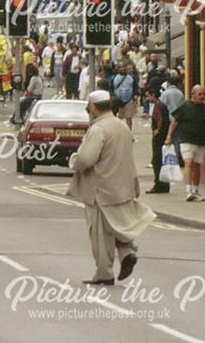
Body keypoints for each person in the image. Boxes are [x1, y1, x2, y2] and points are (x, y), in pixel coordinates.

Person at [67, 91, 156, 285]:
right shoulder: (122, 126)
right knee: (117, 226)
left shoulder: (98, 129)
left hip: (100, 188)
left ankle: (104, 273)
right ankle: (127, 254)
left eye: (89, 106)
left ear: (94, 107)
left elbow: (86, 159)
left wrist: (74, 160)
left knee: (100, 234)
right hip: (122, 186)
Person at [165, 85, 205, 202]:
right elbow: (175, 122)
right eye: (200, 94)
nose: (202, 97)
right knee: (188, 162)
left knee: (197, 165)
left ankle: (195, 190)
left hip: (200, 141)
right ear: (193, 95)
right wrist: (169, 136)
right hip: (186, 140)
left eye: (204, 94)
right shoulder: (185, 106)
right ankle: (188, 190)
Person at [144, 87, 171, 194]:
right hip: (162, 136)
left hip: (159, 137)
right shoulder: (160, 105)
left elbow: (160, 119)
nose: (147, 98)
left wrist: (157, 130)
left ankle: (159, 184)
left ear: (153, 95)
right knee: (160, 159)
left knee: (157, 160)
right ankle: (164, 184)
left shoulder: (158, 105)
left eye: (148, 96)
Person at [112, 62, 137, 130]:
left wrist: (135, 97)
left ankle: (129, 133)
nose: (122, 69)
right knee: (118, 119)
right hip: (118, 102)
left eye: (123, 67)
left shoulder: (131, 78)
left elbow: (135, 88)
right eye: (120, 67)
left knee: (129, 118)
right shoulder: (114, 78)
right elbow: (111, 89)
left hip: (129, 101)